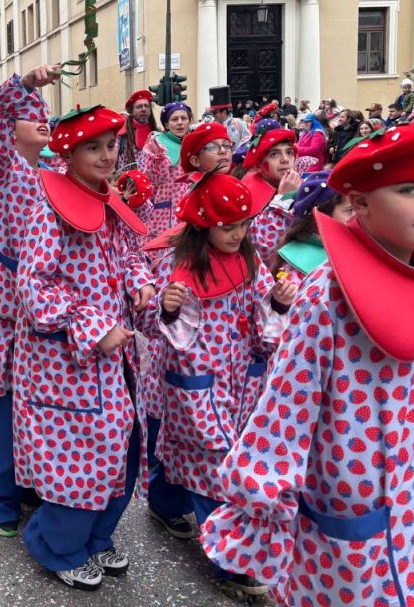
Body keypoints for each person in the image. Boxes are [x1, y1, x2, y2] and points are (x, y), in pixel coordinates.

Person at [201, 122, 414, 607]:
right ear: (359, 202)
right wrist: (260, 499)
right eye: (410, 189)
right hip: (352, 507)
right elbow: (285, 407)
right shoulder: (326, 292)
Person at [13, 104, 152, 591]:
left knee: (119, 446)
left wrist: (140, 284)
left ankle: (96, 536)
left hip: (113, 356)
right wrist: (92, 325)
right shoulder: (48, 205)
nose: (107, 155)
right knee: (79, 454)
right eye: (93, 147)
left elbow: (128, 254)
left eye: (112, 145)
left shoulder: (107, 198)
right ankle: (57, 545)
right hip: (63, 361)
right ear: (68, 153)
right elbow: (35, 288)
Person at [154, 171, 295, 599]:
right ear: (203, 226)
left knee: (188, 455)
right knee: (216, 467)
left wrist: (277, 301)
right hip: (196, 386)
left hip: (239, 383)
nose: (238, 234)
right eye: (228, 226)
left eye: (244, 224)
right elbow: (164, 328)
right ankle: (231, 562)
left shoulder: (249, 261)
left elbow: (263, 308)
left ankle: (163, 504)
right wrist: (169, 308)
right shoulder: (179, 269)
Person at [0, 65, 58, 538]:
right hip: (5, 297)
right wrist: (21, 86)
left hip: (48, 298)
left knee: (41, 397)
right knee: (2, 397)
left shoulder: (59, 172)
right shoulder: (4, 167)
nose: (40, 119)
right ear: (9, 128)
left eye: (44, 114)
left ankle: (38, 483)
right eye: (28, 115)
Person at [271, 170, 353, 286]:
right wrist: (283, 301)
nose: (358, 216)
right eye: (350, 210)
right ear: (320, 216)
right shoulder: (296, 267)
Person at [239, 127, 301, 266]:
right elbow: (262, 250)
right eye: (274, 154)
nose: (285, 160)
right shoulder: (249, 192)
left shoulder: (304, 187)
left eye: (289, 152)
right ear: (260, 163)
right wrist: (284, 198)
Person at [136, 102, 193, 236]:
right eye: (174, 119)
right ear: (166, 125)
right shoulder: (156, 143)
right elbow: (148, 177)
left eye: (184, 118)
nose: (180, 123)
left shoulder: (194, 141)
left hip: (188, 205)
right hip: (164, 208)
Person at [117, 90, 159, 170]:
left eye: (146, 106)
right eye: (139, 106)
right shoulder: (122, 134)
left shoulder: (156, 135)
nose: (143, 109)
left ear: (150, 111)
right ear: (131, 111)